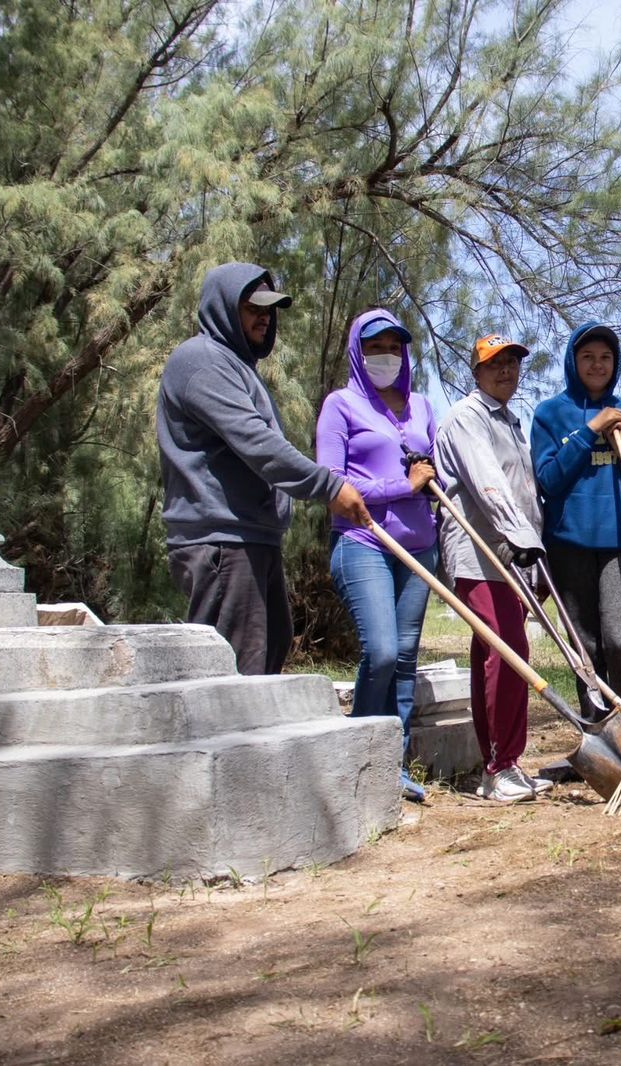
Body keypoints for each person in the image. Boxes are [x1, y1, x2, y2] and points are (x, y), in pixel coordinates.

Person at [157, 262, 369, 675]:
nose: (265, 317)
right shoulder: (201, 361)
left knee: (267, 657)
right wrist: (328, 487)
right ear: (222, 307)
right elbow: (257, 444)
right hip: (222, 540)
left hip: (254, 538)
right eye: (253, 307)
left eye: (269, 309)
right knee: (233, 677)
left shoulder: (240, 369)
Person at [316, 309, 439, 802]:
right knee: (383, 651)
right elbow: (331, 483)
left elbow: (433, 470)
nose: (386, 355)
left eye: (394, 347)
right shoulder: (341, 405)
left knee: (405, 659)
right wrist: (400, 486)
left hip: (419, 548)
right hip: (363, 541)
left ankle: (394, 766)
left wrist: (432, 482)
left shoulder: (421, 406)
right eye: (375, 347)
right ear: (357, 351)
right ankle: (359, 760)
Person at [434, 334, 552, 803]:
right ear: (476, 371)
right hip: (480, 553)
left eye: (512, 363)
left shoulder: (510, 422)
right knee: (508, 649)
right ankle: (499, 767)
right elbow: (488, 484)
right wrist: (523, 540)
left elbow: (525, 492)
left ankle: (502, 763)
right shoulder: (467, 418)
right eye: (494, 363)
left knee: (496, 653)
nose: (506, 370)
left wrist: (534, 549)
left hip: (511, 554)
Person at [530, 322, 621, 718]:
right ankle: (597, 729)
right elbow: (548, 480)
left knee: (620, 641)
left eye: (605, 357)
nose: (597, 364)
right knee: (585, 647)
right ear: (572, 361)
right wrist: (590, 431)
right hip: (570, 543)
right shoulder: (550, 414)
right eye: (587, 357)